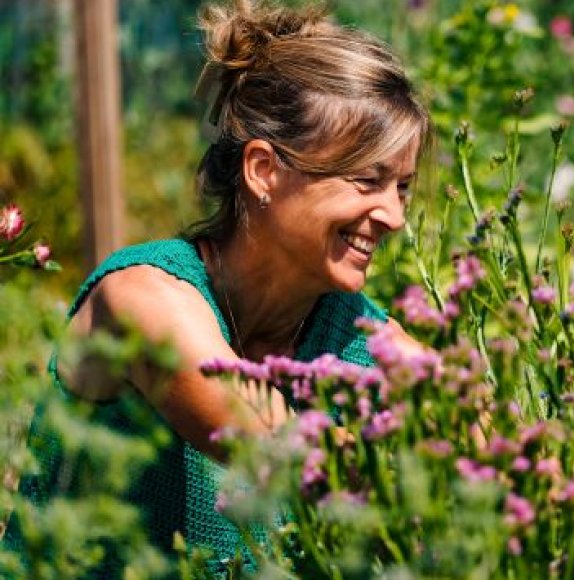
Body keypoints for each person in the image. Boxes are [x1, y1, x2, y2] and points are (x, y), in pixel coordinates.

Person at [5, 0, 428, 575]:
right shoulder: (144, 299)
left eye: (401, 187)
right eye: (366, 181)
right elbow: (269, 442)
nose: (393, 216)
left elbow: (492, 450)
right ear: (263, 170)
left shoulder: (362, 337)